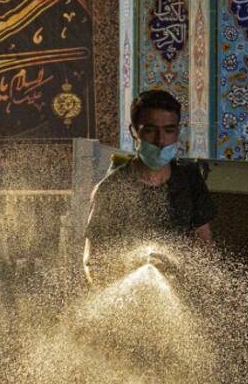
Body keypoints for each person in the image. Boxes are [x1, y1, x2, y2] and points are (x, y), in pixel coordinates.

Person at [83, 89, 215, 285]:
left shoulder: (190, 181)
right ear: (134, 131)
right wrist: (130, 271)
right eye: (150, 130)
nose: (161, 141)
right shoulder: (111, 189)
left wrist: (180, 271)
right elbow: (92, 263)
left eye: (169, 130)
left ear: (178, 131)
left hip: (181, 294)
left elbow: (205, 248)